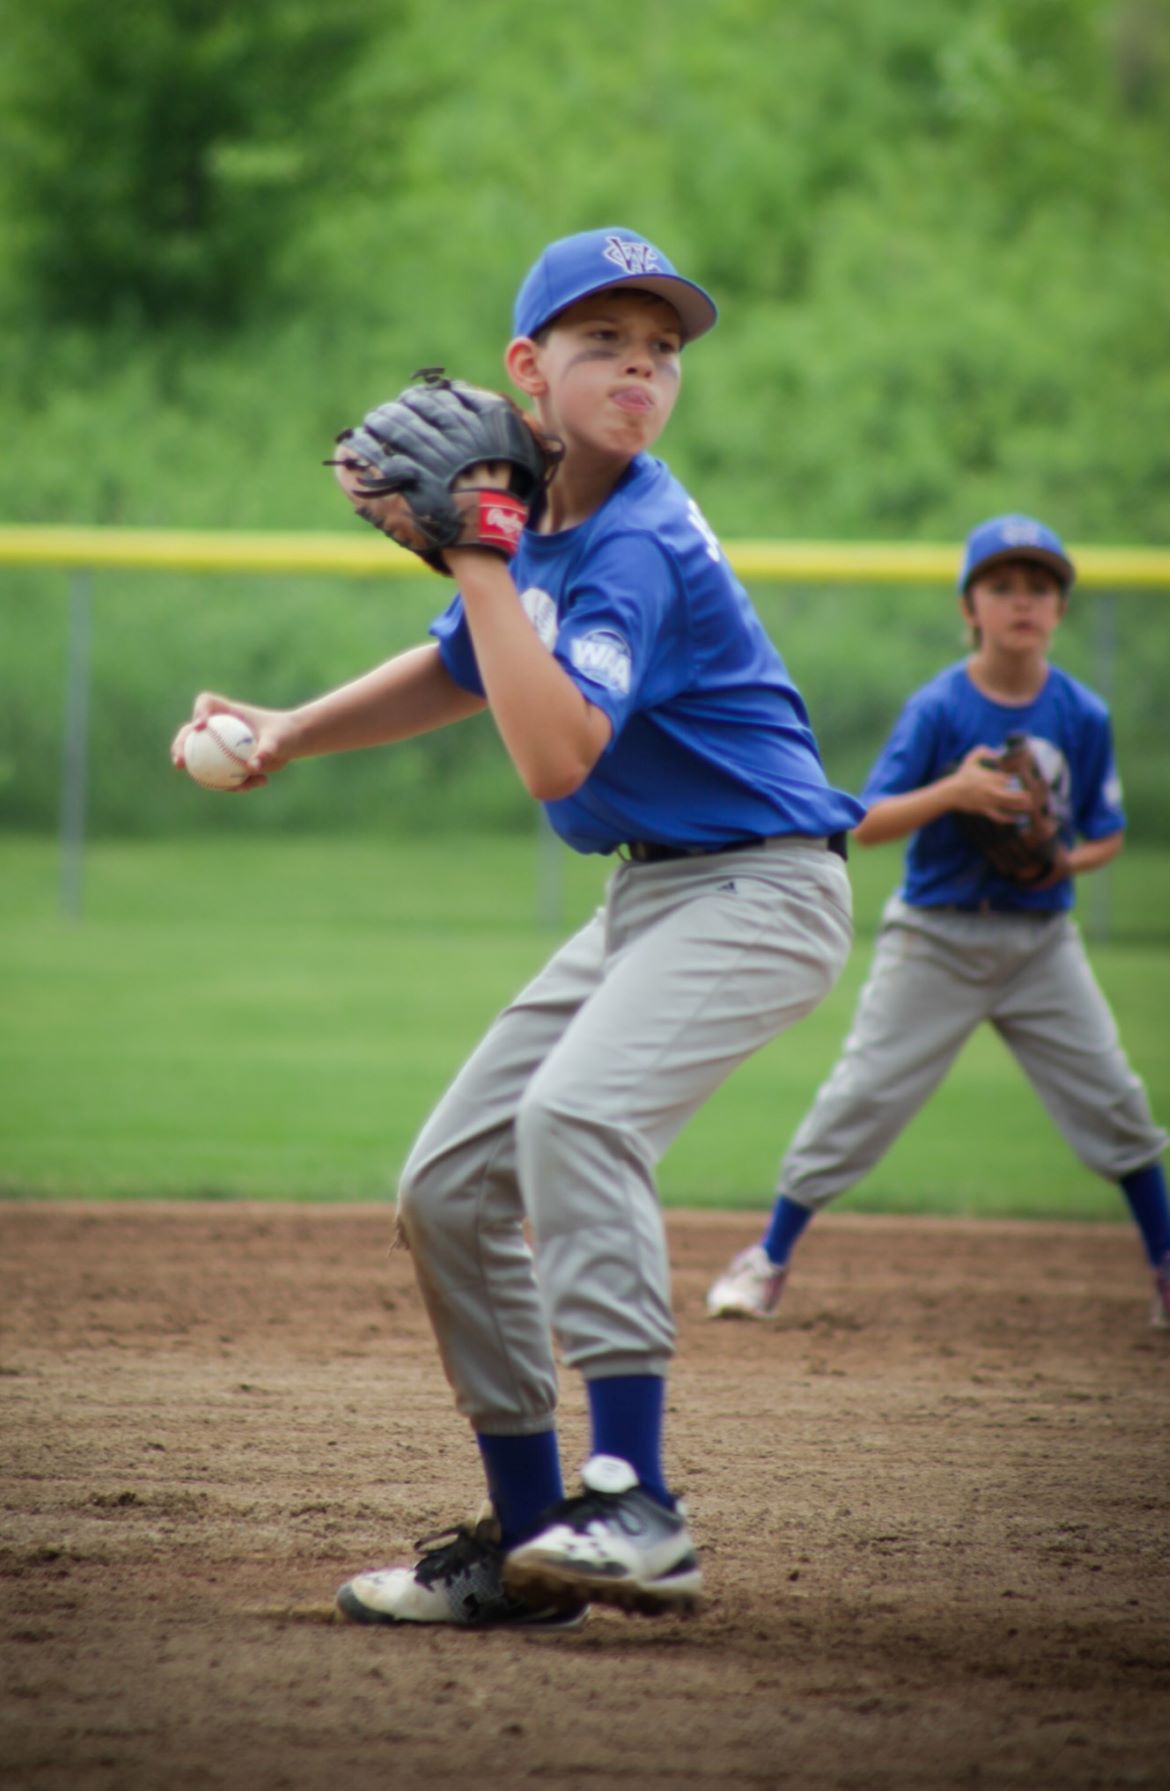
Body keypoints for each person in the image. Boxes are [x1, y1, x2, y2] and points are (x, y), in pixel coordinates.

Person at [172, 227, 863, 1627]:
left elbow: (553, 753)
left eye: (662, 349)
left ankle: (638, 1503)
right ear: (524, 367)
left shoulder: (635, 540)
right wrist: (290, 733)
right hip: (653, 892)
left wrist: (478, 561)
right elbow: (457, 666)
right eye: (605, 341)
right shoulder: (537, 523)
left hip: (762, 885)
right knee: (447, 1183)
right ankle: (533, 1534)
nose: (640, 369)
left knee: (575, 1119)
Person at [707, 514, 1170, 1332]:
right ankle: (768, 1259)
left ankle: (1164, 1267)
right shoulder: (940, 708)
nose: (1022, 602)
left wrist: (1063, 862)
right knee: (861, 1098)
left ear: (1060, 609)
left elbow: (1106, 834)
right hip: (937, 939)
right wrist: (954, 793)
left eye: (1040, 588)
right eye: (1002, 586)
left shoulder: (1083, 714)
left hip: (1040, 944)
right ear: (971, 607)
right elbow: (870, 820)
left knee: (1115, 1104)